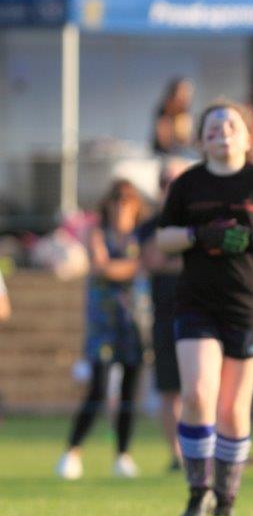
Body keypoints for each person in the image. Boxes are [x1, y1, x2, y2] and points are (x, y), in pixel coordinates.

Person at [153, 101, 253, 516]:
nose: (222, 132)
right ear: (202, 139)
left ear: (247, 137)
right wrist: (196, 234)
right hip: (196, 304)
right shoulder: (187, 183)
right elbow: (163, 238)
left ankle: (226, 497)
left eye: (231, 125)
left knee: (234, 408)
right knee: (197, 394)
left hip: (249, 305)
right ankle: (196, 490)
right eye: (212, 126)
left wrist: (252, 238)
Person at [57, 180, 147, 481]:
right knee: (97, 388)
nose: (122, 206)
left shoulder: (140, 234)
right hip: (103, 324)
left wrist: (125, 266)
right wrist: (130, 266)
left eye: (128, 200)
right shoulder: (98, 232)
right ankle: (72, 450)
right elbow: (101, 266)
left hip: (134, 323)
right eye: (117, 199)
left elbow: (145, 263)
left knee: (129, 393)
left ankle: (123, 454)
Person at [139, 159, 192, 470]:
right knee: (169, 387)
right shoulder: (152, 223)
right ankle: (177, 455)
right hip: (164, 314)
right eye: (165, 182)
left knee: (200, 386)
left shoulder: (197, 219)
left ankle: (203, 449)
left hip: (199, 313)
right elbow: (152, 259)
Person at [152, 77, 194, 157]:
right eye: (183, 92)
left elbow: (186, 140)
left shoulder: (185, 115)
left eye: (189, 93)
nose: (187, 96)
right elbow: (165, 143)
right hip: (162, 156)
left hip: (182, 156)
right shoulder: (164, 113)